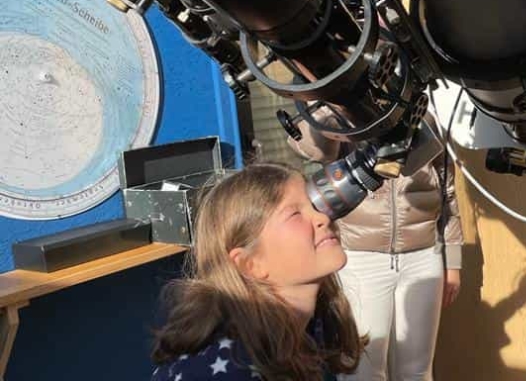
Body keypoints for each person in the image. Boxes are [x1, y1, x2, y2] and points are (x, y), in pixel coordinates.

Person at [288, 109, 464, 381]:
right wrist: (328, 99)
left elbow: (448, 193)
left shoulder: (423, 116)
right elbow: (311, 148)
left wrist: (452, 262)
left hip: (424, 257)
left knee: (417, 370)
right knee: (362, 370)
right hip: (360, 259)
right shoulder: (342, 118)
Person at [149, 163, 366, 381]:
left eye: (314, 205)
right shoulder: (232, 368)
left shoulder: (315, 327)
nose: (324, 218)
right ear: (251, 264)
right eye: (294, 214)